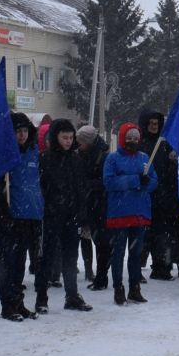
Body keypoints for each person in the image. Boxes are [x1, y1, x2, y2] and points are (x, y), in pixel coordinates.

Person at [0, 112, 43, 321]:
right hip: (10, 216)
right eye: (17, 131)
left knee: (20, 264)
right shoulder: (4, 155)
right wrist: (3, 209)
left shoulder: (33, 152)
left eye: (25, 131)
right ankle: (7, 305)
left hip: (29, 215)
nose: (22, 135)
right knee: (7, 263)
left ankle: (19, 302)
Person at [38, 119, 92, 313]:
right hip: (51, 216)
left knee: (70, 258)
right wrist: (49, 208)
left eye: (71, 137)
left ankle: (72, 295)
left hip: (71, 216)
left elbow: (81, 188)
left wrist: (81, 213)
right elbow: (42, 189)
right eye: (64, 137)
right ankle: (41, 297)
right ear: (55, 137)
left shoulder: (76, 159)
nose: (68, 141)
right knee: (48, 258)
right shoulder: (44, 159)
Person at [103, 122, 156, 305]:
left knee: (136, 254)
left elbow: (154, 182)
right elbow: (109, 183)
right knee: (118, 254)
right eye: (129, 137)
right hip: (119, 212)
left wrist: (146, 182)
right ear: (122, 138)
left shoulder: (145, 157)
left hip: (139, 212)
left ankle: (135, 288)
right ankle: (118, 287)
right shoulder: (112, 158)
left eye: (136, 138)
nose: (133, 141)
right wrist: (135, 180)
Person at [140, 109, 179, 283]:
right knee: (143, 235)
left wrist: (174, 162)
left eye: (156, 124)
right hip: (145, 195)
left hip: (166, 195)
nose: (153, 127)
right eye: (150, 123)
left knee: (163, 234)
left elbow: (172, 171)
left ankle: (162, 266)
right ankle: (137, 267)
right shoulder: (140, 144)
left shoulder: (166, 144)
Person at [76, 125, 109, 288]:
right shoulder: (79, 153)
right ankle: (89, 270)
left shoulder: (103, 156)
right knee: (85, 237)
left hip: (98, 204)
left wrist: (86, 184)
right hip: (84, 204)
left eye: (80, 142)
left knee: (101, 242)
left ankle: (101, 275)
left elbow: (105, 181)